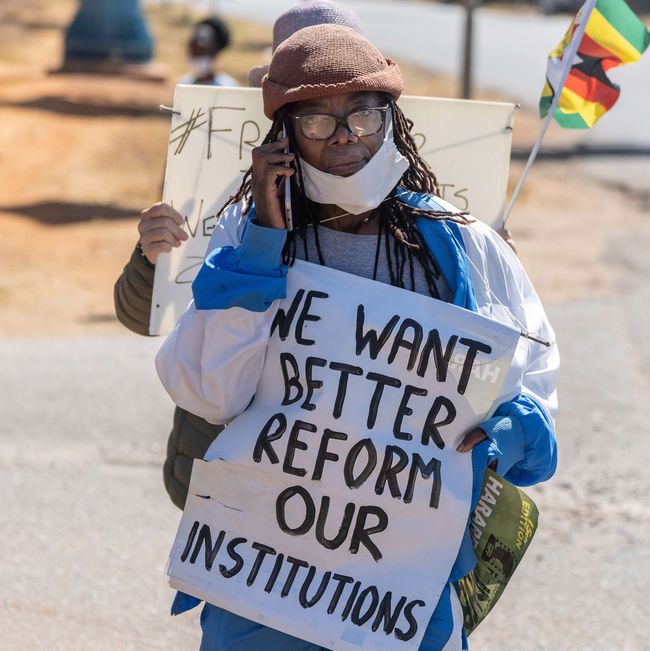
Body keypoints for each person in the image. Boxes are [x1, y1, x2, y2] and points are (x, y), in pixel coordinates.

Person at [154, 24, 558, 650]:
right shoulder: (245, 235)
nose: (346, 136)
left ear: (391, 122)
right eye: (317, 122)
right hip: (263, 587)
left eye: (364, 116)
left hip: (401, 593)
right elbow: (209, 392)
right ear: (284, 136)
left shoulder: (460, 245)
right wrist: (263, 242)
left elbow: (532, 388)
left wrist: (513, 429)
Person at [113, 1, 364, 510]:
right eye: (312, 104)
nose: (334, 130)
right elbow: (144, 315)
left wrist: (480, 268)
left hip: (341, 483)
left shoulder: (403, 214)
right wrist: (151, 257)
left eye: (349, 105)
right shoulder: (220, 190)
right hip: (221, 460)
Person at [178, 16, 238, 87]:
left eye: (201, 52)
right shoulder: (184, 84)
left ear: (214, 51)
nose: (197, 56)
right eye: (194, 51)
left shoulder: (227, 86)